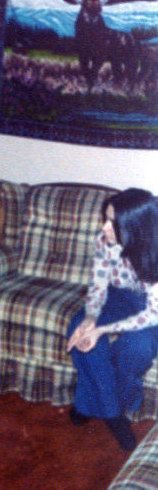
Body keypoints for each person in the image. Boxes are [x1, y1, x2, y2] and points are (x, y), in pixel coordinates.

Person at [67, 188, 158, 451]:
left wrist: (104, 329)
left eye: (112, 223)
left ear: (135, 227)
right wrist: (91, 319)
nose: (103, 227)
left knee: (137, 347)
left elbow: (152, 313)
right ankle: (112, 413)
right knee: (79, 328)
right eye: (104, 218)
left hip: (151, 307)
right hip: (119, 296)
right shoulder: (104, 241)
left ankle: (91, 403)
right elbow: (98, 285)